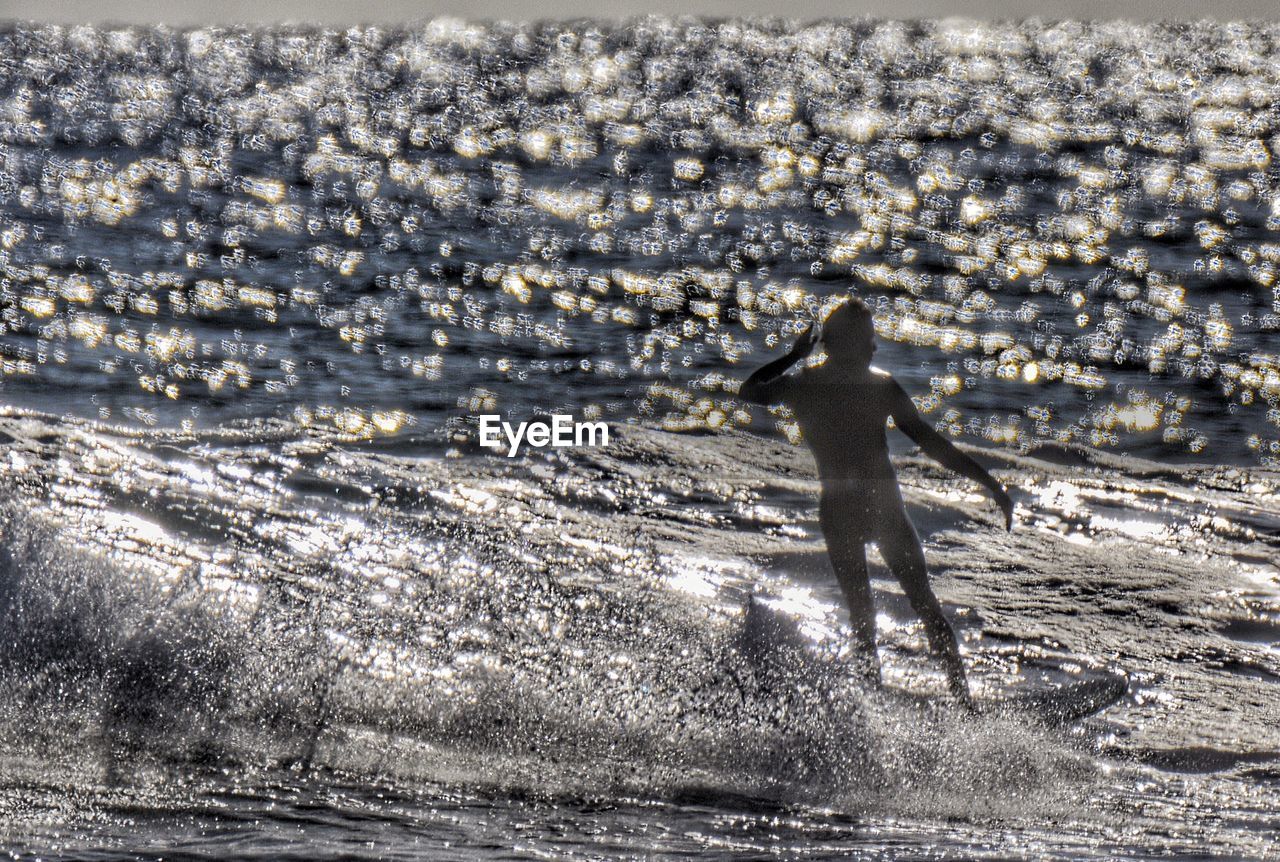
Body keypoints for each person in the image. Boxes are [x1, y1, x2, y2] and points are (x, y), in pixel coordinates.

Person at [739, 297, 1013, 706]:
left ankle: (875, 711)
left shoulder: (804, 386)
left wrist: (794, 356)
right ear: (847, 344)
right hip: (881, 508)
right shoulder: (879, 386)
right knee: (923, 606)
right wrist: (990, 482)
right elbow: (931, 442)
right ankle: (963, 706)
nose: (875, 347)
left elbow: (749, 391)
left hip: (841, 511)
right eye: (868, 340)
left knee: (863, 620)